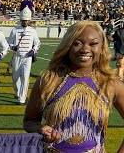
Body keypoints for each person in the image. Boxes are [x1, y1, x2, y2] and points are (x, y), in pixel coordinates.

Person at [23, 20, 124, 152]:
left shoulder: (110, 84)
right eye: (77, 43)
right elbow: (29, 121)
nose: (85, 49)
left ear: (102, 48)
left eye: (93, 44)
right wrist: (40, 129)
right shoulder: (49, 80)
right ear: (67, 46)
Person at [7, 0, 40, 105]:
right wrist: (13, 47)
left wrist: (33, 51)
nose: (25, 22)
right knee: (15, 78)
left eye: (27, 20)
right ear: (21, 19)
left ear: (29, 20)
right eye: (23, 20)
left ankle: (22, 98)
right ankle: (17, 92)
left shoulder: (32, 31)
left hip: (27, 58)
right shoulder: (15, 30)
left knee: (25, 78)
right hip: (17, 56)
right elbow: (9, 43)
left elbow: (37, 43)